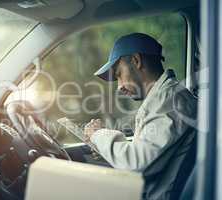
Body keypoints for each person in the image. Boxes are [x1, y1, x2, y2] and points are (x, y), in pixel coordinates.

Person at [84, 33, 197, 199]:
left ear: (137, 61)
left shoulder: (170, 100)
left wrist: (98, 134)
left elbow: (135, 164)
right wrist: (101, 146)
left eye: (118, 74)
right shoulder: (162, 98)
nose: (119, 86)